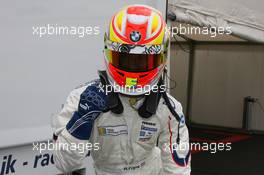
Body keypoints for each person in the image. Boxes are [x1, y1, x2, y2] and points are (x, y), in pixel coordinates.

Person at [53, 4, 191, 175]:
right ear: (108, 51)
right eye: (124, 58)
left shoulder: (169, 108)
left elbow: (177, 170)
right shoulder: (83, 99)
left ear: (161, 57)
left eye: (142, 60)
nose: (133, 67)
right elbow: (64, 164)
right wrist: (80, 120)